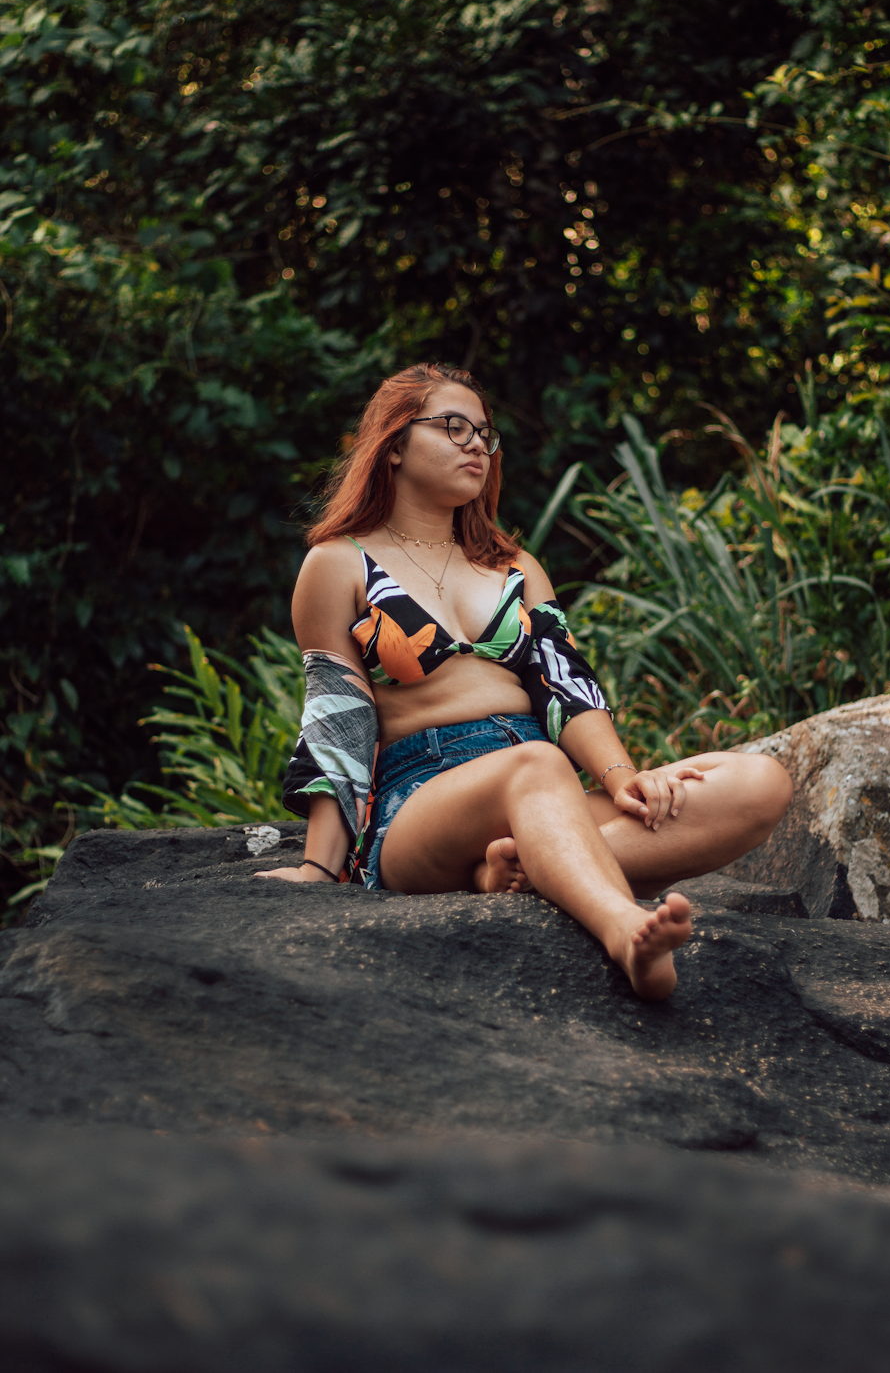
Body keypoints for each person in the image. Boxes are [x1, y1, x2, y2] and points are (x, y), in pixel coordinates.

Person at [259, 362, 792, 1000]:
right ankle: (625, 928)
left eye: (485, 434)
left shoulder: (514, 566)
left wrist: (624, 778)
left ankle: (515, 869)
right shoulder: (339, 562)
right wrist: (320, 866)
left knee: (758, 784)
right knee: (535, 763)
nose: (476, 444)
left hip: (539, 791)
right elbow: (337, 714)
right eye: (453, 427)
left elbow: (567, 689)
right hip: (418, 803)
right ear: (394, 445)